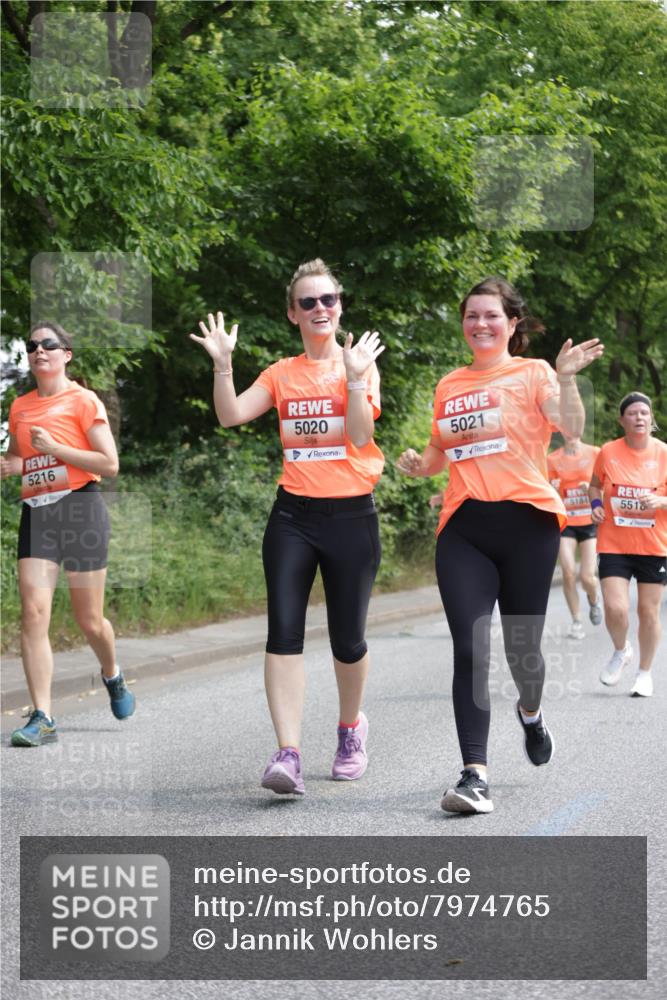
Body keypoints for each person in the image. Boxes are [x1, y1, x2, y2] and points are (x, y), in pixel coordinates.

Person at [397, 276, 603, 814]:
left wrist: (565, 378)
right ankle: (474, 775)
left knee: (523, 652)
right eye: (472, 316)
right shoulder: (449, 384)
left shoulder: (534, 373)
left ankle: (530, 714)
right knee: (470, 648)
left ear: (513, 324)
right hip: (464, 528)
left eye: (492, 315)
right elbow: (440, 452)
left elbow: (571, 427)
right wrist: (421, 466)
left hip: (529, 527)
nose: (480, 324)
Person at [190, 260, 384, 796]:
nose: (320, 309)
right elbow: (230, 415)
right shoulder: (280, 373)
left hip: (351, 515)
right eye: (308, 302)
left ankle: (350, 730)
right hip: (293, 517)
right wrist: (223, 364)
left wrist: (352, 377)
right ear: (292, 313)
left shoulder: (360, 364)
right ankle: (289, 754)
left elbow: (362, 436)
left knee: (348, 641)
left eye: (328, 300)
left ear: (340, 305)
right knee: (283, 633)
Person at [1, 322, 135, 747]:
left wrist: (55, 447)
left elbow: (108, 463)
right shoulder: (19, 407)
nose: (39, 351)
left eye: (49, 344)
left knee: (89, 620)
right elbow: (18, 459)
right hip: (37, 513)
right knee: (34, 613)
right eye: (33, 346)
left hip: (81, 509)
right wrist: (11, 465)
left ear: (67, 354)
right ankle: (43, 716)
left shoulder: (82, 400)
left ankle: (112, 674)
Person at [590, 392, 667, 697]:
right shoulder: (608, 451)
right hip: (613, 542)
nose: (638, 418)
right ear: (622, 420)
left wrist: (661, 500)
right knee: (615, 607)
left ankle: (645, 673)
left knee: (648, 612)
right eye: (632, 413)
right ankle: (622, 650)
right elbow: (594, 485)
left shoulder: (664, 453)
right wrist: (595, 503)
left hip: (653, 544)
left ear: (651, 420)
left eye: (644, 413)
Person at [547, 434, 602, 638]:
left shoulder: (595, 453)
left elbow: (607, 487)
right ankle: (577, 620)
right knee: (568, 572)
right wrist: (553, 491)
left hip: (589, 522)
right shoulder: (553, 459)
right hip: (566, 523)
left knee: (588, 576)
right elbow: (549, 491)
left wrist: (591, 490)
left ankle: (594, 599)